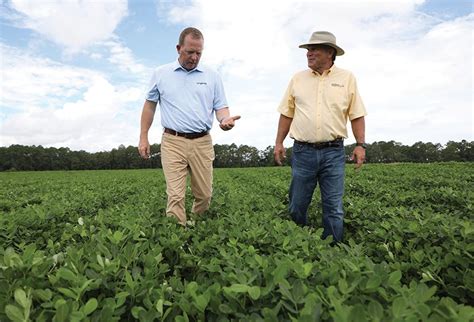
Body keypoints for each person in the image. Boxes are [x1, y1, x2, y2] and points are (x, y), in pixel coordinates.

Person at [138, 27, 240, 226]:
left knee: (204, 195)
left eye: (198, 53)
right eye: (190, 52)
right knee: (175, 195)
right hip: (172, 141)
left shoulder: (212, 76)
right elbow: (149, 106)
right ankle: (177, 239)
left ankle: (197, 227)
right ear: (178, 48)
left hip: (202, 141)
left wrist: (224, 120)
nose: (194, 57)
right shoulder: (160, 74)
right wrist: (143, 136)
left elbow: (221, 107)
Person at [274, 31, 367, 242]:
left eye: (314, 49)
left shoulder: (347, 78)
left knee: (333, 207)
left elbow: (357, 114)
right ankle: (297, 246)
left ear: (330, 52)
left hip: (334, 152)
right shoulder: (297, 78)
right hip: (302, 151)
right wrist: (279, 142)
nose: (309, 53)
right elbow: (286, 113)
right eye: (308, 49)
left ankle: (333, 252)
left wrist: (361, 145)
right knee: (297, 204)